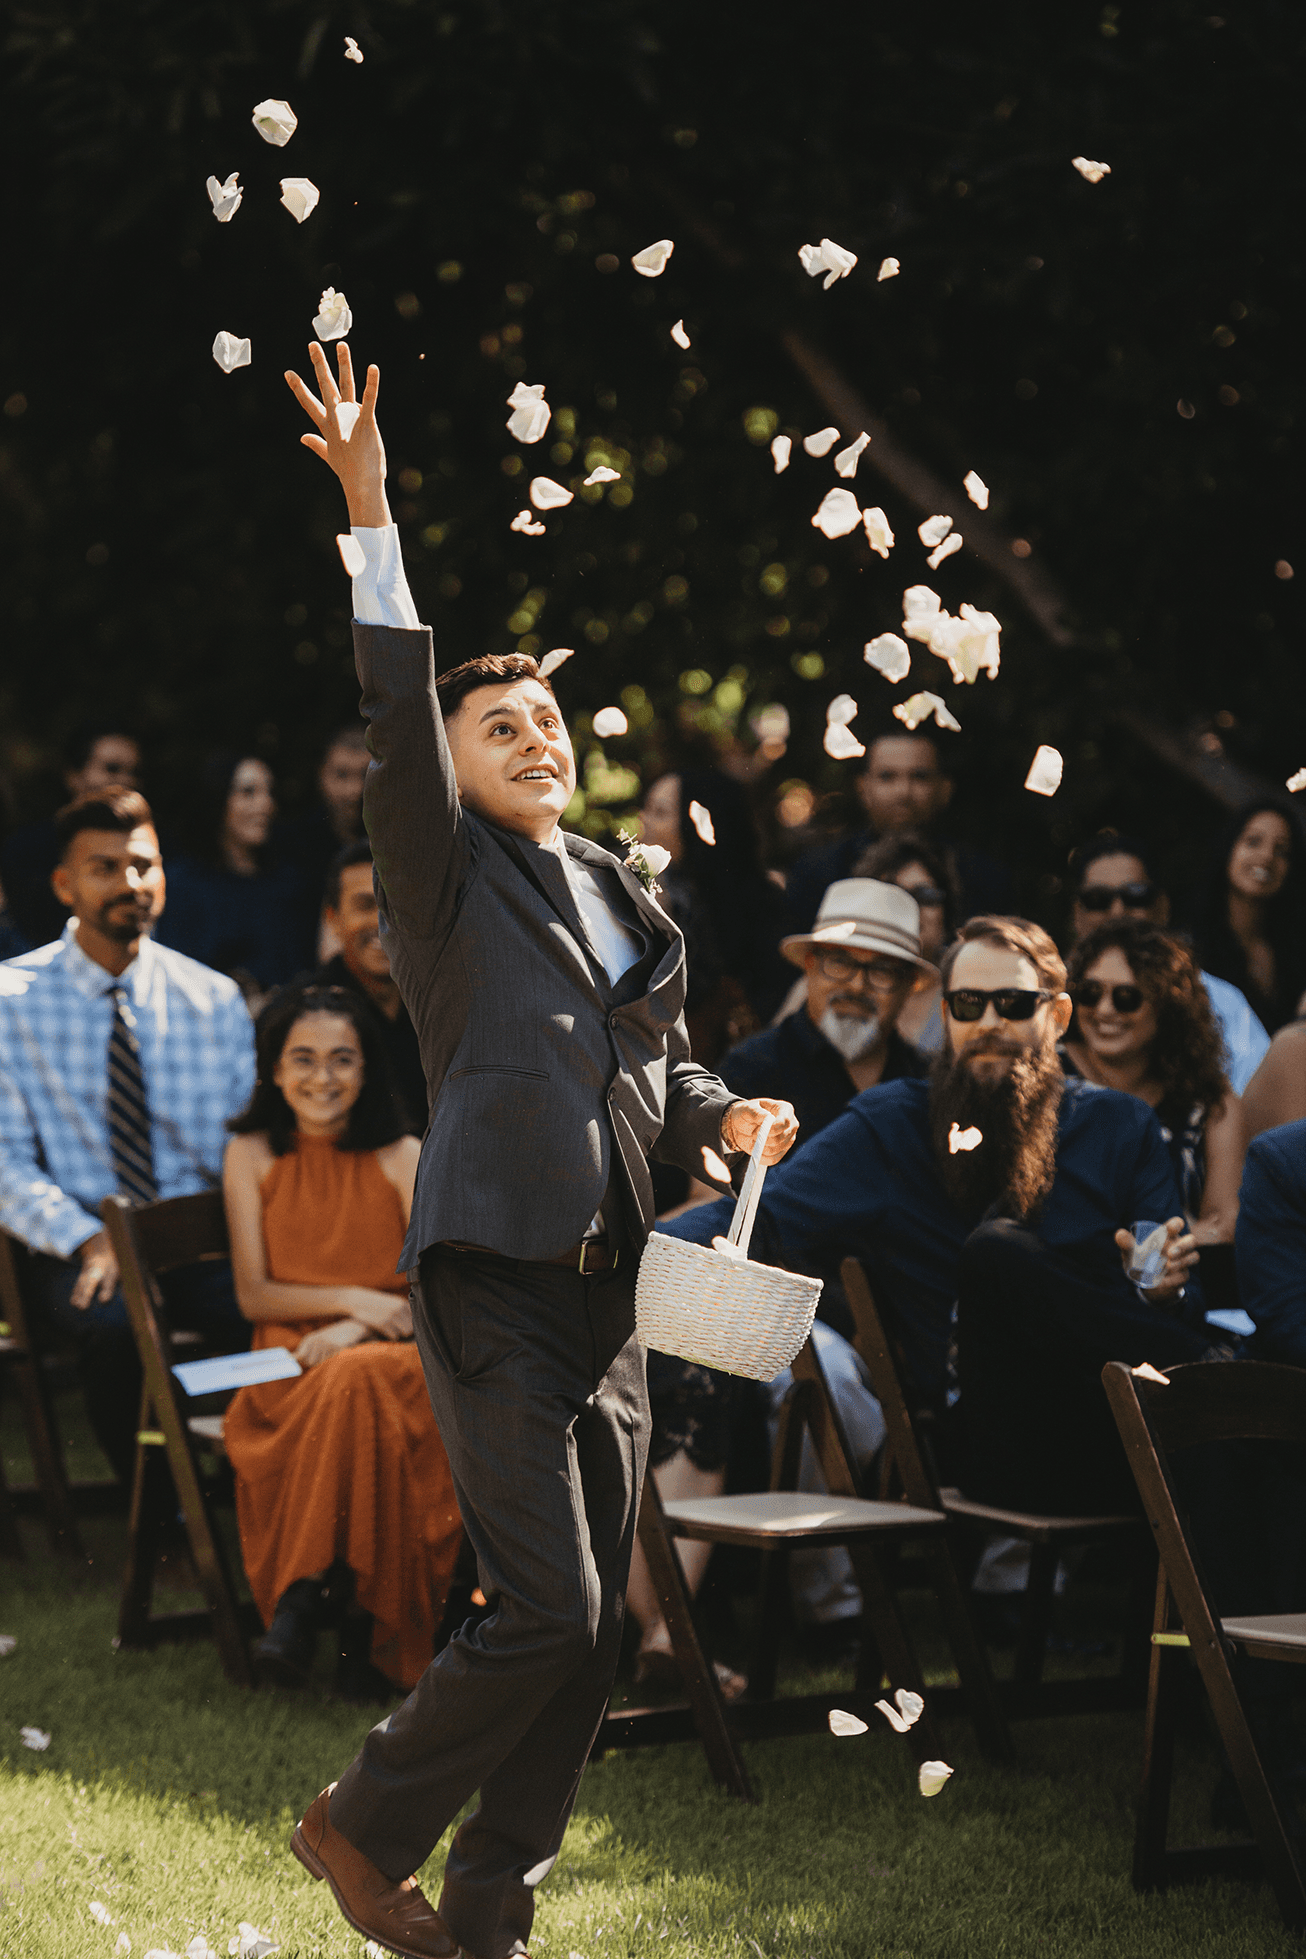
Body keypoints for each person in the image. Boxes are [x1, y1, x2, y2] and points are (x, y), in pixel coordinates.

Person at [281, 338, 797, 1959]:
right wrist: (370, 512)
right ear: (447, 761)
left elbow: (663, 1061)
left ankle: (490, 1910)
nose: (535, 733)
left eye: (545, 713)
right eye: (498, 720)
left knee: (585, 1648)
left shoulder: (623, 888)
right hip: (493, 1274)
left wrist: (727, 1113)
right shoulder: (439, 876)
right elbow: (389, 691)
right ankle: (359, 1825)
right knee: (555, 1603)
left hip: (620, 1302)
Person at [661, 915, 1220, 1518]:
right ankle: (1222, 1390)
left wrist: (1163, 1290)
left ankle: (1220, 1402)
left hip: (1111, 1433)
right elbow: (762, 1218)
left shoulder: (1119, 1126)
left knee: (1020, 1264)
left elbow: (1172, 1292)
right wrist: (644, 1263)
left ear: (1057, 1017)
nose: (988, 1024)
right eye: (967, 1004)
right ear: (944, 1015)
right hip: (977, 1445)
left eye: (1012, 1003)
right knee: (997, 1254)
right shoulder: (891, 1124)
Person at [0, 788, 254, 1490]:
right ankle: (163, 1515)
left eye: (143, 865)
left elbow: (244, 1146)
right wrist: (87, 1236)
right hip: (81, 1244)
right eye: (104, 867)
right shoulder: (8, 1002)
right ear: (64, 884)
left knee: (275, 1313)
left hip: (199, 1241)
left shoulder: (213, 998)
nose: (130, 883)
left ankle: (257, 1479)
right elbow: (3, 1159)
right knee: (115, 1330)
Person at [222, 985, 461, 1700]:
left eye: (341, 1059)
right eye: (302, 1058)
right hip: (288, 1362)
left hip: (395, 1353)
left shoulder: (401, 1155)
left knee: (358, 1380)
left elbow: (437, 1293)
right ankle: (361, 1618)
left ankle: (303, 1596)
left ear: (367, 1069)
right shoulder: (251, 1152)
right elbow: (253, 1294)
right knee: (351, 1390)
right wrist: (352, 1298)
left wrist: (362, 1321)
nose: (321, 1077)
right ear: (271, 1068)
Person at [1062, 921, 1242, 1245]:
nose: (1104, 1010)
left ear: (1167, 1004)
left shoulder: (1211, 1102)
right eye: (1089, 993)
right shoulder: (1045, 1073)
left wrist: (1147, 1259)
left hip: (1172, 1283)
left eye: (1126, 997)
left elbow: (1224, 1228)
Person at [720, 878, 931, 1138]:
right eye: (840, 962)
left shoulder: (928, 1083)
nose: (857, 985)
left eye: (882, 970)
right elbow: (710, 1176)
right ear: (810, 965)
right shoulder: (748, 1071)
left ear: (908, 985)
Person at [1065, 831, 1270, 1092]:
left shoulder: (1223, 1003)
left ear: (1162, 907)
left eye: (1136, 895)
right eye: (1098, 900)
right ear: (1077, 913)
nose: (1118, 911)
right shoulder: (1047, 994)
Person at [783, 727, 1015, 937]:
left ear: (945, 789)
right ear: (863, 788)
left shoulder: (985, 878)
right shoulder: (816, 872)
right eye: (887, 777)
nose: (903, 792)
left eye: (919, 777)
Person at [639, 765, 791, 1046]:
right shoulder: (643, 890)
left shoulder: (761, 910)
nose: (644, 821)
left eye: (660, 813)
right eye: (646, 810)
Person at [154, 751, 316, 999]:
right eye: (248, 792)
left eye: (269, 792)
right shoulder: (181, 883)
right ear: (218, 797)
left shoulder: (287, 883)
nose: (265, 805)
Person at [316, 839, 427, 1134]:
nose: (383, 922)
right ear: (333, 919)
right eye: (365, 905)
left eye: (395, 904)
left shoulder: (448, 1005)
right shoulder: (303, 1011)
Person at [0, 720, 141, 950]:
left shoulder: (159, 850)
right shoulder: (27, 850)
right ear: (73, 776)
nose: (126, 781)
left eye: (133, 772)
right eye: (112, 769)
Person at [1191, 798, 1306, 1035]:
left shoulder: (1296, 950)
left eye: (1281, 850)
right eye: (1253, 842)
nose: (1267, 857)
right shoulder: (1191, 951)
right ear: (1229, 848)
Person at [851, 831, 953, 1050]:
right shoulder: (825, 981)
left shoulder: (966, 989)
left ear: (947, 912)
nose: (909, 908)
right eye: (894, 895)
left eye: (925, 896)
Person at [280, 724, 371, 918]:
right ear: (321, 775)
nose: (355, 790)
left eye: (365, 775)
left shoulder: (395, 842)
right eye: (342, 775)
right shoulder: (292, 846)